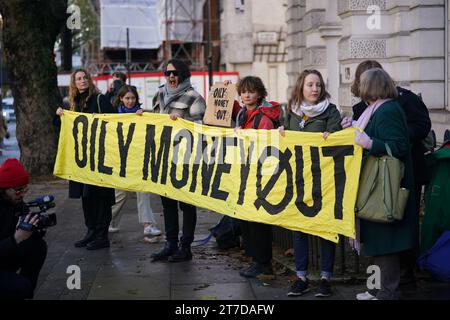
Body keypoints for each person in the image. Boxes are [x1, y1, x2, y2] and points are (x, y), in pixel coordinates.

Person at [343, 60, 431, 290]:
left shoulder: (388, 110)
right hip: (377, 184)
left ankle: (384, 292)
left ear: (371, 86)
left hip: (385, 186)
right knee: (375, 244)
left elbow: (399, 145)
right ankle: (375, 289)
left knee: (385, 245)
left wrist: (370, 142)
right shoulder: (377, 109)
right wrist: (354, 126)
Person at [278, 69, 342, 297]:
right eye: (310, 85)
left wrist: (331, 135)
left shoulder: (331, 112)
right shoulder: (291, 112)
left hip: (324, 181)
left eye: (318, 85)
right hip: (298, 179)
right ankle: (301, 276)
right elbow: (281, 136)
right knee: (299, 228)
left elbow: (339, 136)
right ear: (301, 88)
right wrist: (281, 132)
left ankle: (326, 277)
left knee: (325, 228)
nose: (315, 89)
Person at [150, 59, 206, 262]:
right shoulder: (159, 94)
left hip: (185, 159)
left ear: (183, 75)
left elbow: (201, 129)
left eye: (175, 73)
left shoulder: (194, 97)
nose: (171, 77)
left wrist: (182, 122)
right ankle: (170, 244)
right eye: (168, 73)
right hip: (163, 158)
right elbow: (154, 122)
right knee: (167, 204)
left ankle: (186, 247)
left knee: (186, 204)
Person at [226, 76, 281, 278]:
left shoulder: (263, 118)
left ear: (259, 93)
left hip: (258, 177)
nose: (246, 95)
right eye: (243, 92)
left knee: (258, 223)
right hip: (245, 175)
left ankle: (263, 263)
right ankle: (256, 261)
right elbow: (226, 111)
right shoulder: (243, 113)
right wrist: (226, 92)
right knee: (248, 221)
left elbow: (265, 149)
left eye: (251, 91)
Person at [56, 69, 116, 250]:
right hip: (82, 159)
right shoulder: (72, 104)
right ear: (74, 83)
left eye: (85, 78)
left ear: (90, 80)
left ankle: (101, 235)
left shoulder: (100, 99)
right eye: (79, 79)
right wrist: (60, 114)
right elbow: (60, 126)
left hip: (99, 158)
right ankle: (91, 232)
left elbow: (114, 122)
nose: (82, 81)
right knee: (87, 196)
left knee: (101, 196)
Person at [108, 85, 162, 237]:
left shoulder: (142, 114)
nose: (130, 101)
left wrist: (143, 117)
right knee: (121, 194)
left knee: (143, 190)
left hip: (139, 158)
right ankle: (107, 221)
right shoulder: (113, 115)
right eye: (127, 98)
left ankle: (148, 224)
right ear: (121, 99)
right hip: (121, 160)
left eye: (133, 98)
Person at [0, 158, 47, 299]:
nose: (22, 194)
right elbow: (15, 239)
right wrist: (17, 238)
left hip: (4, 255)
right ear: (4, 188)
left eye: (25, 189)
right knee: (21, 286)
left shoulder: (15, 202)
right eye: (18, 190)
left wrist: (36, 230)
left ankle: (24, 293)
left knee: (38, 246)